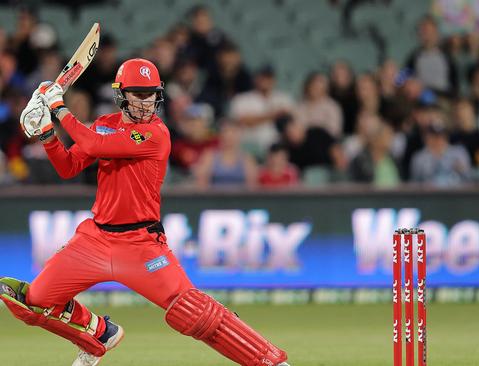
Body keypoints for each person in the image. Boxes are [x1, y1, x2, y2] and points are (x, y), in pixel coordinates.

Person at [3, 58, 290, 366]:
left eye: (150, 93)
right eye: (138, 94)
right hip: (95, 240)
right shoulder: (105, 124)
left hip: (142, 247)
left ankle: (271, 361)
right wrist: (47, 134)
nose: (145, 101)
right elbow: (68, 166)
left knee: (195, 312)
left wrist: (58, 108)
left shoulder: (156, 134)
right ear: (122, 95)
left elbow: (97, 144)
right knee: (35, 303)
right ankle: (98, 335)